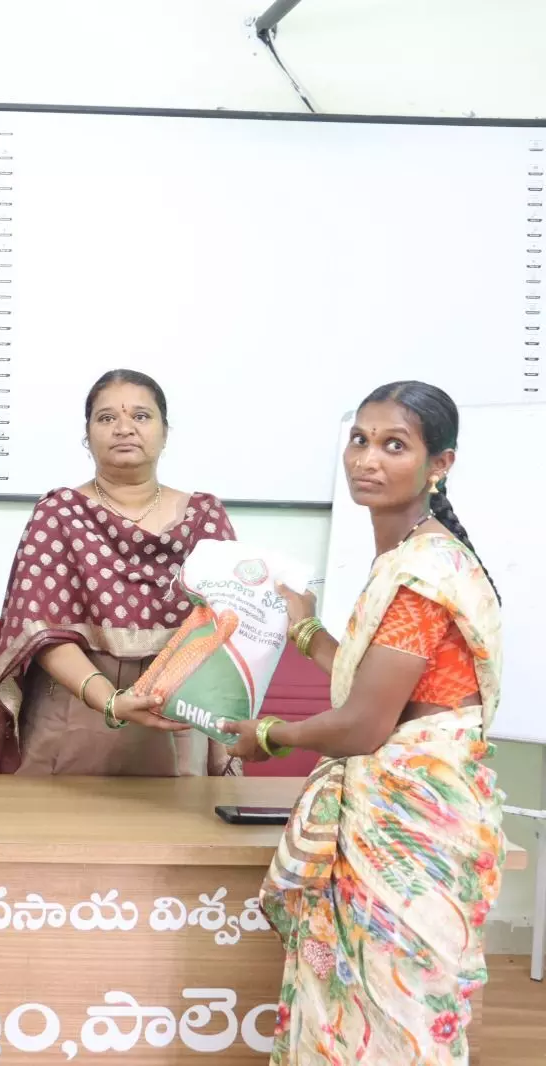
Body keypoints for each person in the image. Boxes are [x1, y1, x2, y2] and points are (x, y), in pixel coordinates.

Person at [221, 381, 504, 1066]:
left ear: (440, 465)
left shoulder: (422, 574)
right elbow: (371, 678)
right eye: (359, 439)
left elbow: (363, 726)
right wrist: (304, 627)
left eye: (394, 445)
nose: (367, 460)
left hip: (411, 828)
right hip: (399, 814)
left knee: (390, 1018)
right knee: (359, 1010)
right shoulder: (408, 559)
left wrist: (269, 734)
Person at [0, 369, 239, 776]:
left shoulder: (205, 517)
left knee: (177, 835)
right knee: (64, 835)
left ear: (165, 431)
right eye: (106, 418)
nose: (124, 428)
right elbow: (39, 629)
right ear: (87, 435)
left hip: (176, 709)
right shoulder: (59, 513)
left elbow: (227, 631)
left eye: (141, 416)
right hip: (76, 707)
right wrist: (108, 699)